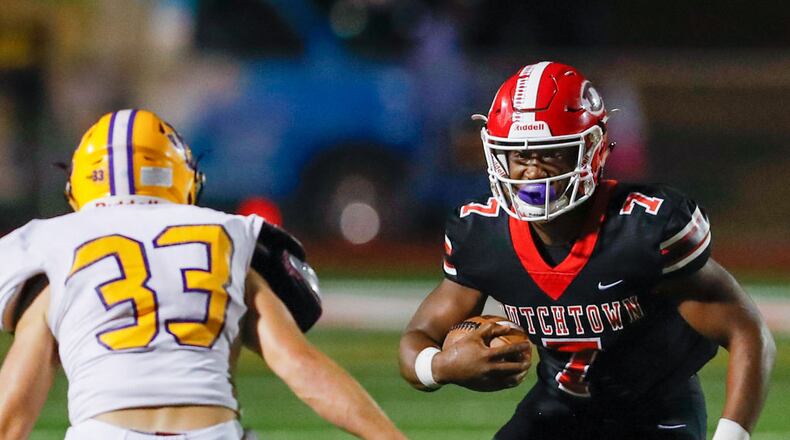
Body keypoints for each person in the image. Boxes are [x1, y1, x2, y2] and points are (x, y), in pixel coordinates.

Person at [399, 61, 775, 440]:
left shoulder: (643, 228)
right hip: (556, 409)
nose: (532, 172)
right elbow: (419, 334)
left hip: (655, 415)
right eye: (520, 155)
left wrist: (731, 436)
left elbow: (747, 331)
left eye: (551, 153)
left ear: (591, 150)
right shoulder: (481, 232)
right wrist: (441, 366)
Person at [0, 109, 406, 440]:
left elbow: (12, 412)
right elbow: (300, 366)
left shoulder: (55, 247)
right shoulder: (225, 238)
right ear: (184, 177)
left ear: (80, 184)